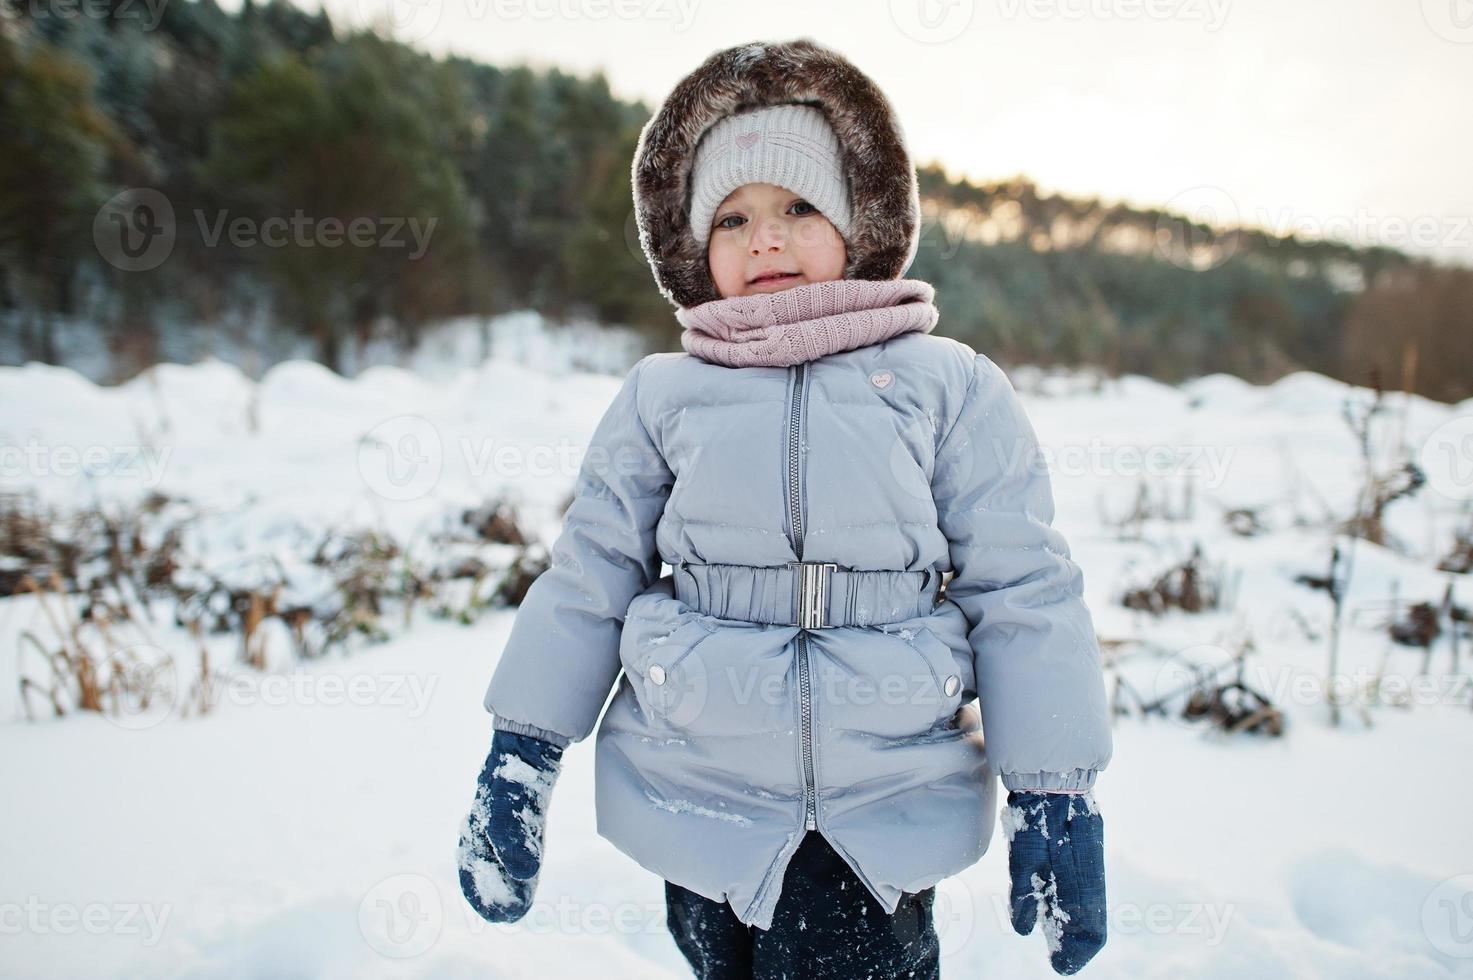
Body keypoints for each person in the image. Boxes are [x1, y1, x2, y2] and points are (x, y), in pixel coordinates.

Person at [458, 38, 1113, 978]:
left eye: (798, 206)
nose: (764, 237)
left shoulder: (946, 385)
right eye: (730, 218)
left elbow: (1025, 589)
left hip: (875, 809)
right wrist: (521, 746)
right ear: (692, 247)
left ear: (861, 222)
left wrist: (1054, 787)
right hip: (695, 797)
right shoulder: (661, 396)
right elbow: (590, 578)